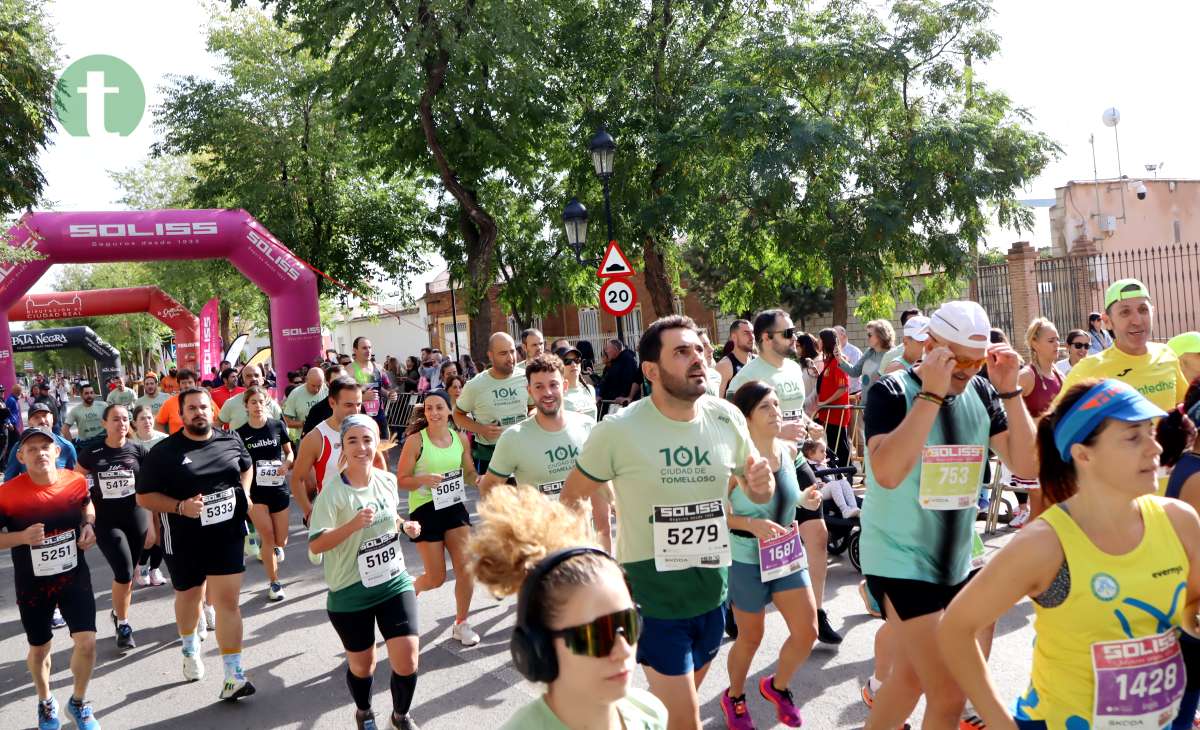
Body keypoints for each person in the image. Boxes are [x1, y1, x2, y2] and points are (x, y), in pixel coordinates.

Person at [940, 378, 1200, 729]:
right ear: (1083, 454)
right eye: (1132, 436)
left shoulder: (1179, 521)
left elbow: (1192, 608)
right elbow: (956, 628)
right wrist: (1001, 723)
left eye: (1150, 432)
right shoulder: (1045, 543)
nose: (1154, 448)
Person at [562, 315, 773, 730]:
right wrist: (584, 564)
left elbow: (756, 490)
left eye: (698, 349)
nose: (697, 359)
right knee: (685, 719)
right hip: (651, 593)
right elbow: (571, 495)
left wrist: (761, 485)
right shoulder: (618, 430)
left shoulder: (726, 416)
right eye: (681, 351)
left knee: (674, 711)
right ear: (651, 371)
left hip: (713, 590)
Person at [860, 300, 1036, 730]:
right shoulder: (890, 392)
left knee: (907, 680)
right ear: (930, 344)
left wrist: (1010, 391)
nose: (966, 370)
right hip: (899, 559)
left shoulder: (980, 390)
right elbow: (886, 472)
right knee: (950, 693)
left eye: (976, 360)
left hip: (955, 561)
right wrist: (931, 394)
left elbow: (1028, 466)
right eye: (956, 357)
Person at [469, 485, 668, 730]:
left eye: (628, 623)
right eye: (597, 635)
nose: (624, 650)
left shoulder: (651, 714)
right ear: (540, 648)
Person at [135, 387, 256, 700]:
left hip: (227, 534)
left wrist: (245, 493)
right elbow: (144, 496)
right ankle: (190, 649)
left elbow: (246, 467)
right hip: (184, 538)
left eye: (204, 407)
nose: (199, 412)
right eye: (191, 408)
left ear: (212, 411)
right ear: (182, 414)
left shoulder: (230, 440)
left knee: (228, 603)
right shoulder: (164, 452)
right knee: (189, 598)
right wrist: (180, 507)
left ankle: (233, 675)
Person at [308, 414, 423, 730]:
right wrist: (352, 525)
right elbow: (316, 545)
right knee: (363, 665)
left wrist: (404, 525)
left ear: (377, 443)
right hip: (350, 592)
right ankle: (364, 711)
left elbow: (391, 515)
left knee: (408, 657)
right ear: (343, 447)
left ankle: (400, 716)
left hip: (393, 581)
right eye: (353, 441)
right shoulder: (332, 494)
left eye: (367, 439)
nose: (361, 447)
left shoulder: (386, 480)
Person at [721, 380, 823, 729]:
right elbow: (717, 513)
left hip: (785, 554)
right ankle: (734, 696)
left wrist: (805, 501)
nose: (776, 412)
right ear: (746, 417)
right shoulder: (735, 462)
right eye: (765, 407)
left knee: (808, 631)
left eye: (777, 405)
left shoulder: (789, 451)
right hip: (747, 557)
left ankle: (777, 687)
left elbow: (789, 496)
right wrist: (751, 524)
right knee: (751, 637)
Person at [0, 426, 103, 730]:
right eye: (31, 449)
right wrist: (20, 536)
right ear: (20, 456)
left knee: (87, 643)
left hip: (74, 575)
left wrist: (88, 526)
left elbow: (87, 505)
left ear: (58, 451)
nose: (40, 453)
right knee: (40, 648)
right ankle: (46, 702)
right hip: (33, 584)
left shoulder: (74, 481)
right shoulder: (7, 494)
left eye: (46, 447)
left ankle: (79, 702)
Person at [479, 354, 609, 550]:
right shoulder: (514, 437)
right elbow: (488, 488)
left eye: (553, 385)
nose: (547, 392)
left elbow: (599, 482)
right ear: (529, 390)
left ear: (564, 387)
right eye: (539, 386)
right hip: (540, 549)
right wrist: (516, 521)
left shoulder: (587, 426)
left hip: (583, 544)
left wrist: (604, 535)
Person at [396, 389, 481, 647]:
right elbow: (402, 480)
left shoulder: (460, 439)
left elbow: (468, 473)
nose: (434, 413)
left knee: (467, 568)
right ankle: (415, 585)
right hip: (425, 509)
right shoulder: (416, 441)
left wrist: (481, 481)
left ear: (449, 411)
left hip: (454, 507)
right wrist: (421, 480)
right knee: (436, 578)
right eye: (429, 408)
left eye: (439, 407)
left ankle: (461, 623)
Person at [74, 404, 148, 652]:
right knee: (124, 572)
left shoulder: (138, 450)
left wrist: (155, 522)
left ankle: (119, 613)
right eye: (115, 419)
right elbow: (77, 485)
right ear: (105, 423)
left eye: (126, 419)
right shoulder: (91, 452)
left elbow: (150, 486)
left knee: (131, 574)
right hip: (106, 521)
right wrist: (86, 518)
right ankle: (124, 625)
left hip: (136, 517)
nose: (122, 424)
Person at [1058, 279, 1189, 415]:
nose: (1137, 321)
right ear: (1107, 322)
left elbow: (1185, 408)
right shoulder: (1087, 369)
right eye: (1125, 312)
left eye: (1143, 310)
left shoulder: (1166, 354)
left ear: (1152, 312)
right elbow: (1053, 425)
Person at [1158, 377, 1200, 728]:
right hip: (1190, 607)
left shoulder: (1189, 464)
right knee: (1183, 703)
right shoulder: (1196, 475)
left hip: (1185, 605)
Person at [235, 386, 294, 602]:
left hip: (278, 489)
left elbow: (289, 452)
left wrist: (287, 464)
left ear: (266, 403)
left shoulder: (277, 426)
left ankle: (275, 549)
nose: (258, 406)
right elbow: (238, 464)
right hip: (256, 493)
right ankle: (274, 582)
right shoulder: (240, 433)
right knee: (267, 537)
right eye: (253, 402)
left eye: (261, 402)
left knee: (281, 540)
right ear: (246, 406)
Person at [293, 377, 368, 526]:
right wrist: (309, 512)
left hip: (366, 513)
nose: (355, 411)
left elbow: (376, 468)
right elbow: (297, 480)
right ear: (332, 402)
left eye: (358, 404)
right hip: (332, 518)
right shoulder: (316, 437)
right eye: (348, 405)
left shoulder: (367, 429)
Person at [1011, 317, 1064, 527]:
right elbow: (1004, 409)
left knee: (1055, 508)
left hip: (1056, 452)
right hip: (1034, 453)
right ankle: (1025, 555)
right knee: (1039, 509)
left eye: (1058, 340)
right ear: (1035, 343)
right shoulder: (1026, 376)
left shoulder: (1060, 375)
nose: (1057, 345)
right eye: (1051, 340)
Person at [453, 332, 529, 476]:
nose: (510, 358)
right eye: (503, 353)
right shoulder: (475, 385)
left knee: (527, 498)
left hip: (523, 451)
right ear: (490, 355)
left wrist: (530, 419)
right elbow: (457, 414)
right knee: (494, 499)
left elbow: (532, 408)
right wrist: (480, 429)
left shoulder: (526, 377)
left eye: (512, 351)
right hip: (490, 455)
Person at [129, 404, 167, 588]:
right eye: (142, 418)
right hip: (141, 495)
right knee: (150, 537)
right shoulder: (129, 443)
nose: (147, 421)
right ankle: (142, 566)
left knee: (161, 537)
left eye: (149, 418)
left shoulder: (165, 440)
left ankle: (155, 569)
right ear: (134, 423)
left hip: (163, 493)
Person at [5, 403, 77, 479]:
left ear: (52, 418)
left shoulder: (67, 447)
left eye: (45, 416)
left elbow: (74, 479)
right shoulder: (19, 448)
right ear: (29, 423)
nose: (42, 420)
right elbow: (9, 480)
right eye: (36, 417)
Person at [815, 328, 853, 468]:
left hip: (836, 412)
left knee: (840, 445)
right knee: (832, 445)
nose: (817, 342)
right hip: (827, 412)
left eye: (820, 339)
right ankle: (838, 473)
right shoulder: (828, 361)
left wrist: (825, 402)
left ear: (826, 342)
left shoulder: (838, 361)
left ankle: (847, 473)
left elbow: (843, 387)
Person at [839, 319, 894, 407]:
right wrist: (839, 359)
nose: (867, 338)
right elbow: (855, 372)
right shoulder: (869, 352)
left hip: (882, 407)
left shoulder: (891, 354)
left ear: (881, 335)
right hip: (865, 405)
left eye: (870, 335)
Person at [347, 337, 394, 439]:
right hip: (360, 417)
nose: (368, 351)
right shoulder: (349, 370)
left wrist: (389, 394)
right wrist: (362, 398)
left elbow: (379, 388)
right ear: (355, 350)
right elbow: (344, 396)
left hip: (379, 415)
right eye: (364, 348)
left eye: (369, 347)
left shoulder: (378, 367)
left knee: (385, 446)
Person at [802, 439, 859, 519]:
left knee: (844, 482)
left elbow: (833, 477)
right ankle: (845, 510)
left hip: (829, 488)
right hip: (817, 491)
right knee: (834, 484)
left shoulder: (825, 464)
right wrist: (817, 484)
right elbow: (806, 480)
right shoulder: (806, 465)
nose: (825, 454)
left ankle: (854, 508)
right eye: (822, 451)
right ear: (811, 454)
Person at [156, 370, 222, 435]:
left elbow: (219, 420)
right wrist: (166, 439)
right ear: (179, 384)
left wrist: (211, 435)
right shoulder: (169, 403)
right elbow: (159, 423)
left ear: (195, 384)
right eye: (183, 383)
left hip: (205, 443)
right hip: (177, 443)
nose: (187, 385)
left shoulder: (205, 400)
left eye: (190, 382)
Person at [301, 364, 348, 437]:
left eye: (344, 380)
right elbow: (307, 438)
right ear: (328, 384)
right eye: (336, 382)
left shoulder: (357, 405)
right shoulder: (318, 410)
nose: (341, 385)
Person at [283, 366, 327, 442]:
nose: (316, 389)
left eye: (319, 386)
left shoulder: (327, 390)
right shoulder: (295, 394)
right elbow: (286, 421)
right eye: (313, 385)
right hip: (304, 438)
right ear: (306, 380)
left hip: (325, 437)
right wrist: (306, 423)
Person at [716, 320, 755, 398]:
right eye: (746, 333)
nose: (752, 337)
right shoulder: (725, 366)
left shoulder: (757, 360)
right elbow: (717, 402)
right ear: (734, 337)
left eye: (752, 332)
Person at [558, 345, 599, 421]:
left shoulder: (590, 389)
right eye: (567, 361)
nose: (573, 364)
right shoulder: (556, 394)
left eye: (577, 360)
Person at [597, 338, 642, 407]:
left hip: (623, 403)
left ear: (615, 349)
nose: (606, 351)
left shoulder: (628, 359)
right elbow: (606, 380)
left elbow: (629, 379)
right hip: (614, 401)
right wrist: (600, 395)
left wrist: (624, 396)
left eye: (607, 348)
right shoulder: (614, 361)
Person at [878, 309, 923, 375]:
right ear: (905, 328)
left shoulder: (933, 351)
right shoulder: (890, 356)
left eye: (922, 322)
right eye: (914, 323)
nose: (920, 326)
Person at [696, 330, 724, 398]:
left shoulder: (715, 375)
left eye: (710, 344)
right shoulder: (681, 382)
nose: (711, 349)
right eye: (704, 345)